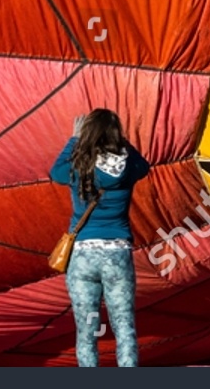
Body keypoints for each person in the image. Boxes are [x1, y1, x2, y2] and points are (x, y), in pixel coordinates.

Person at [50, 108, 151, 367]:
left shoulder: (78, 165)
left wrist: (74, 139)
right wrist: (122, 141)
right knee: (124, 326)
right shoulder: (128, 166)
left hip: (82, 255)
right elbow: (145, 166)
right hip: (117, 253)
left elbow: (55, 172)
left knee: (87, 330)